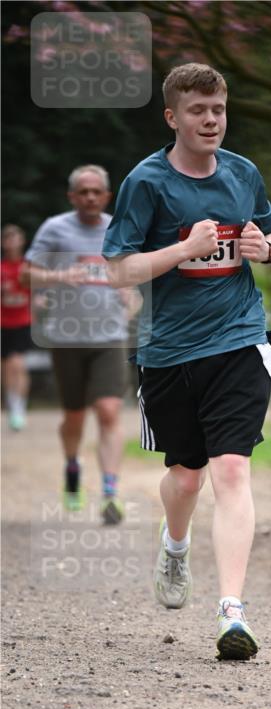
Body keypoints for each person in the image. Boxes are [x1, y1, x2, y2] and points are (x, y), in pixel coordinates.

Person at [102, 63, 271, 662]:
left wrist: (267, 249)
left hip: (240, 338)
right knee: (186, 477)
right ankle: (174, 544)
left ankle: (233, 612)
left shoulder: (243, 173)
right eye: (199, 111)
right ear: (172, 117)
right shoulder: (146, 183)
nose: (211, 121)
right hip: (169, 350)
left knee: (231, 470)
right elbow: (118, 269)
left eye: (219, 110)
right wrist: (183, 249)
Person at [23, 165, 131, 524]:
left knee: (109, 411)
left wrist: (133, 298)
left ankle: (110, 493)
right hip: (67, 338)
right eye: (83, 192)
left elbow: (132, 274)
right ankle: (72, 466)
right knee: (74, 415)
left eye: (96, 191)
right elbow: (26, 272)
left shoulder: (118, 228)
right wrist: (58, 276)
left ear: (106, 195)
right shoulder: (55, 228)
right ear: (72, 197)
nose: (90, 197)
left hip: (110, 336)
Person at [1, 224, 33, 431]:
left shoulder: (27, 267)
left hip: (22, 322)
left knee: (17, 365)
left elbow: (41, 292)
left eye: (15, 238)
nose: (12, 242)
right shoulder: (1, 268)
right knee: (5, 369)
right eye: (7, 238)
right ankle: (12, 404)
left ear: (22, 241)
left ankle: (20, 408)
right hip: (3, 323)